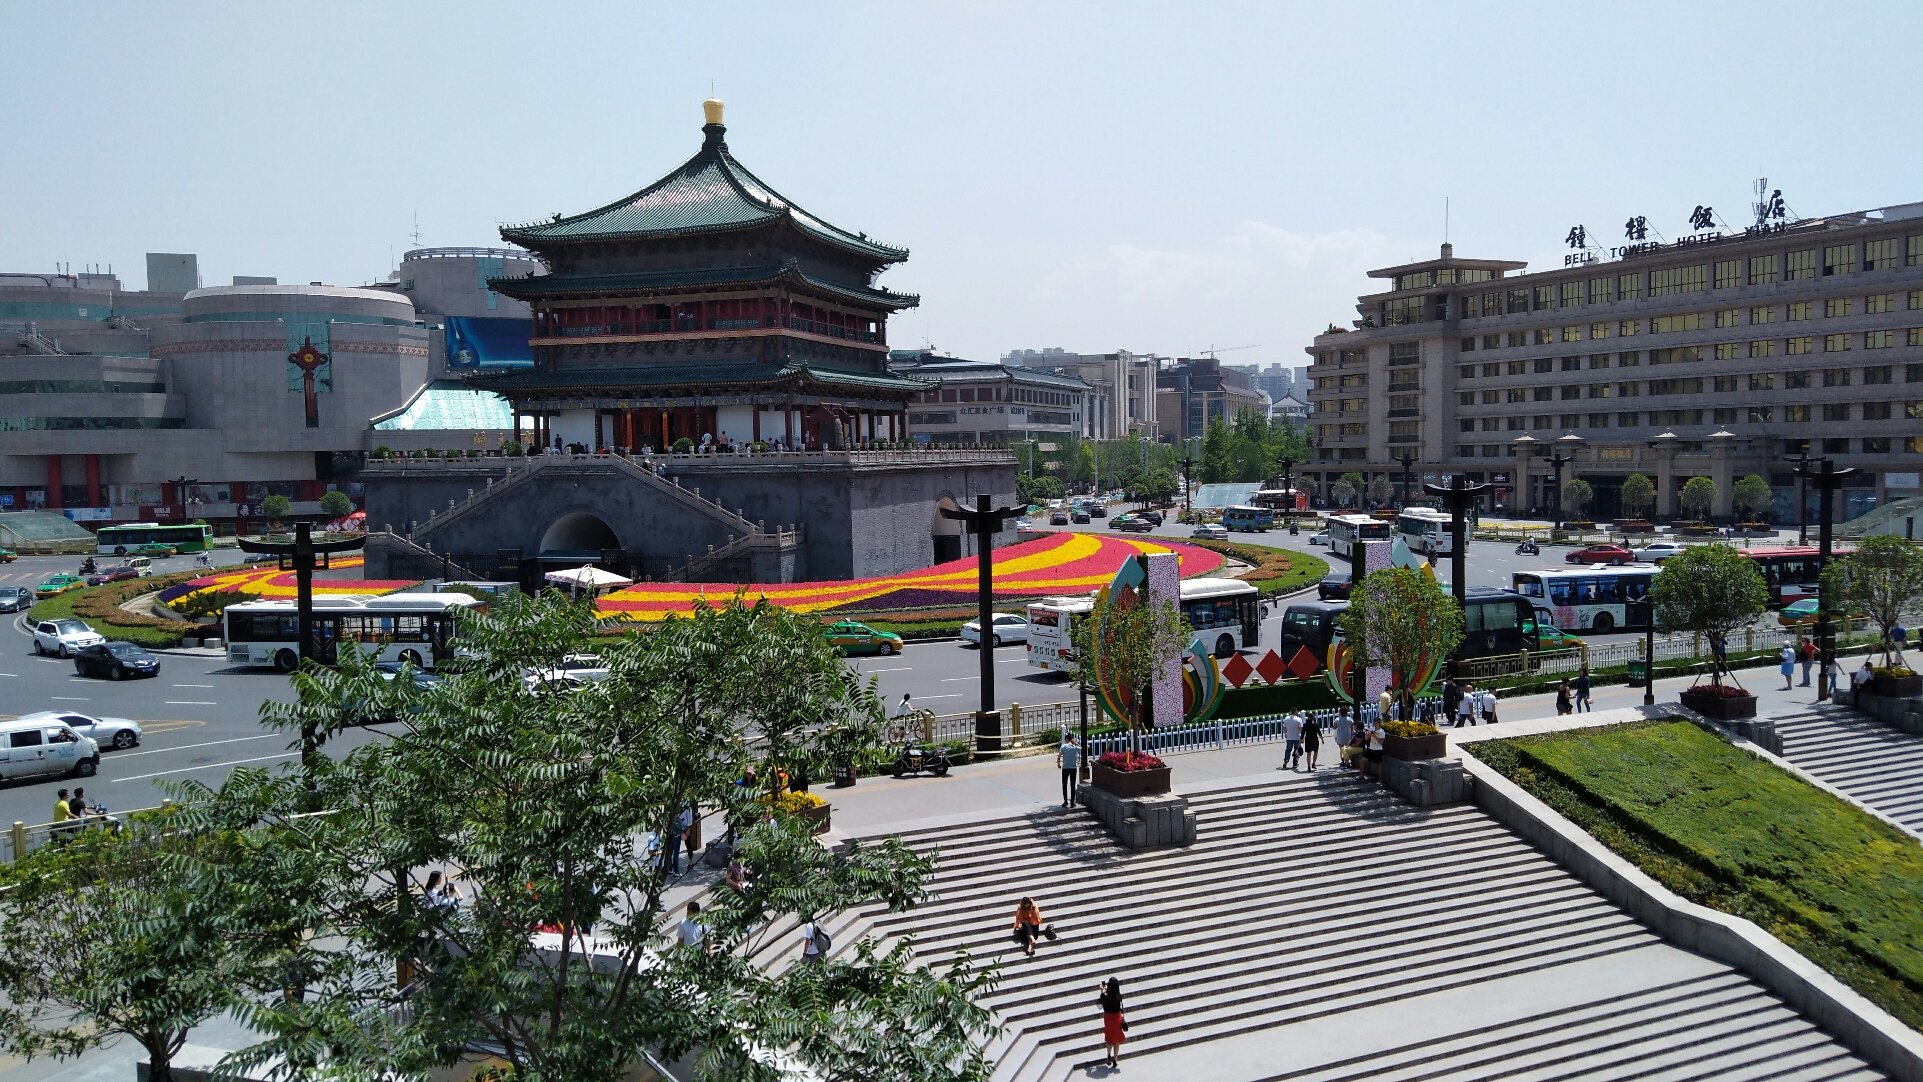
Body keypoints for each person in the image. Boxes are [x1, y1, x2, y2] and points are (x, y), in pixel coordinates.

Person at [1097, 977, 1127, 1069]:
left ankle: (1109, 1055)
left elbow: (1099, 1006)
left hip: (1108, 1019)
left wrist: (1102, 990)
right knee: (1116, 1039)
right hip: (1117, 1018)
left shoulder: (1105, 996)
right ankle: (1115, 1059)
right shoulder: (1119, 996)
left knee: (1109, 1037)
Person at [1057, 733, 1082, 807]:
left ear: (1067, 739)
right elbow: (1082, 748)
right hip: (1073, 768)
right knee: (1072, 785)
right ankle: (1072, 803)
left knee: (1064, 784)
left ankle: (1065, 801)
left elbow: (1059, 756)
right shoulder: (1075, 747)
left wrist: (1058, 764)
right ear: (1072, 739)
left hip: (1065, 768)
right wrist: (1075, 743)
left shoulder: (1063, 747)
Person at [1363, 715, 1385, 782]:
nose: (1373, 724)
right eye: (1373, 722)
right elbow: (1366, 738)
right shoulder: (1372, 729)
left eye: (1374, 722)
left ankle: (1380, 780)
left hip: (1378, 750)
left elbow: (1381, 742)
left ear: (1377, 723)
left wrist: (1375, 736)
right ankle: (1361, 775)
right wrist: (1367, 734)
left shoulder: (1382, 732)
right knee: (1362, 760)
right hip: (1371, 748)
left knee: (1379, 765)